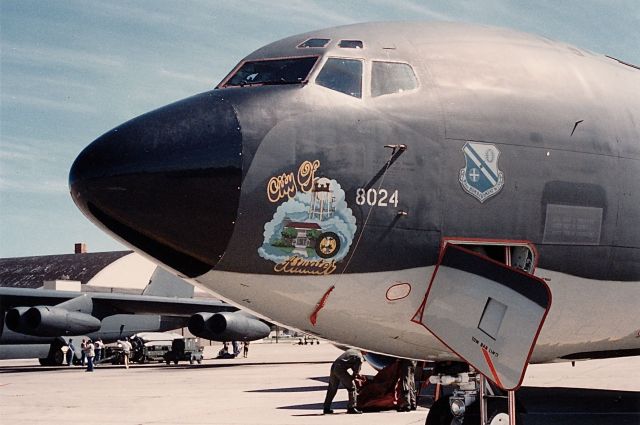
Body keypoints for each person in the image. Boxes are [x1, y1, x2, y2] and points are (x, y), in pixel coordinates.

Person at [323, 348, 364, 415]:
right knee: (352, 387)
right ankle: (352, 407)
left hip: (334, 366)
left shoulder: (352, 350)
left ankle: (326, 408)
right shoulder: (359, 357)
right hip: (340, 370)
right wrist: (353, 377)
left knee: (332, 388)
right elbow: (356, 370)